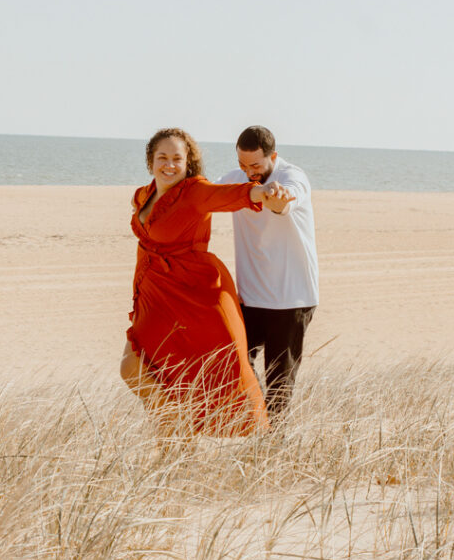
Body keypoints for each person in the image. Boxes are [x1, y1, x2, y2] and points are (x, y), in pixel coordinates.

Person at [119, 127, 292, 440]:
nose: (169, 164)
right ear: (151, 160)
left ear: (188, 162)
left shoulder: (195, 192)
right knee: (136, 369)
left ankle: (176, 437)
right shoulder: (144, 195)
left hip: (192, 295)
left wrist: (265, 194)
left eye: (177, 158)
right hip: (155, 296)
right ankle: (175, 432)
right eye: (162, 157)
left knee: (193, 375)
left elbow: (235, 195)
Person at [216, 125, 318, 420]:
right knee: (234, 368)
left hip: (291, 301)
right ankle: (255, 429)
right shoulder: (237, 180)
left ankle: (273, 450)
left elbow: (285, 201)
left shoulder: (292, 177)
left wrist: (275, 198)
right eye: (243, 165)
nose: (250, 172)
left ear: (273, 156)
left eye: (256, 165)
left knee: (279, 388)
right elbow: (207, 195)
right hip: (250, 300)